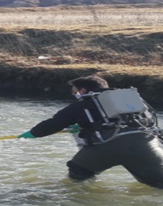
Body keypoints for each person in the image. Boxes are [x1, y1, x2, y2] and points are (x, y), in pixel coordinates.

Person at [17, 76, 163, 189]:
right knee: (158, 183)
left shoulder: (83, 104)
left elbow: (55, 123)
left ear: (83, 91)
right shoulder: (132, 101)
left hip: (107, 147)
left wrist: (33, 133)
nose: (74, 94)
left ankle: (85, 196)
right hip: (146, 145)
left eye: (74, 91)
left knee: (78, 171)